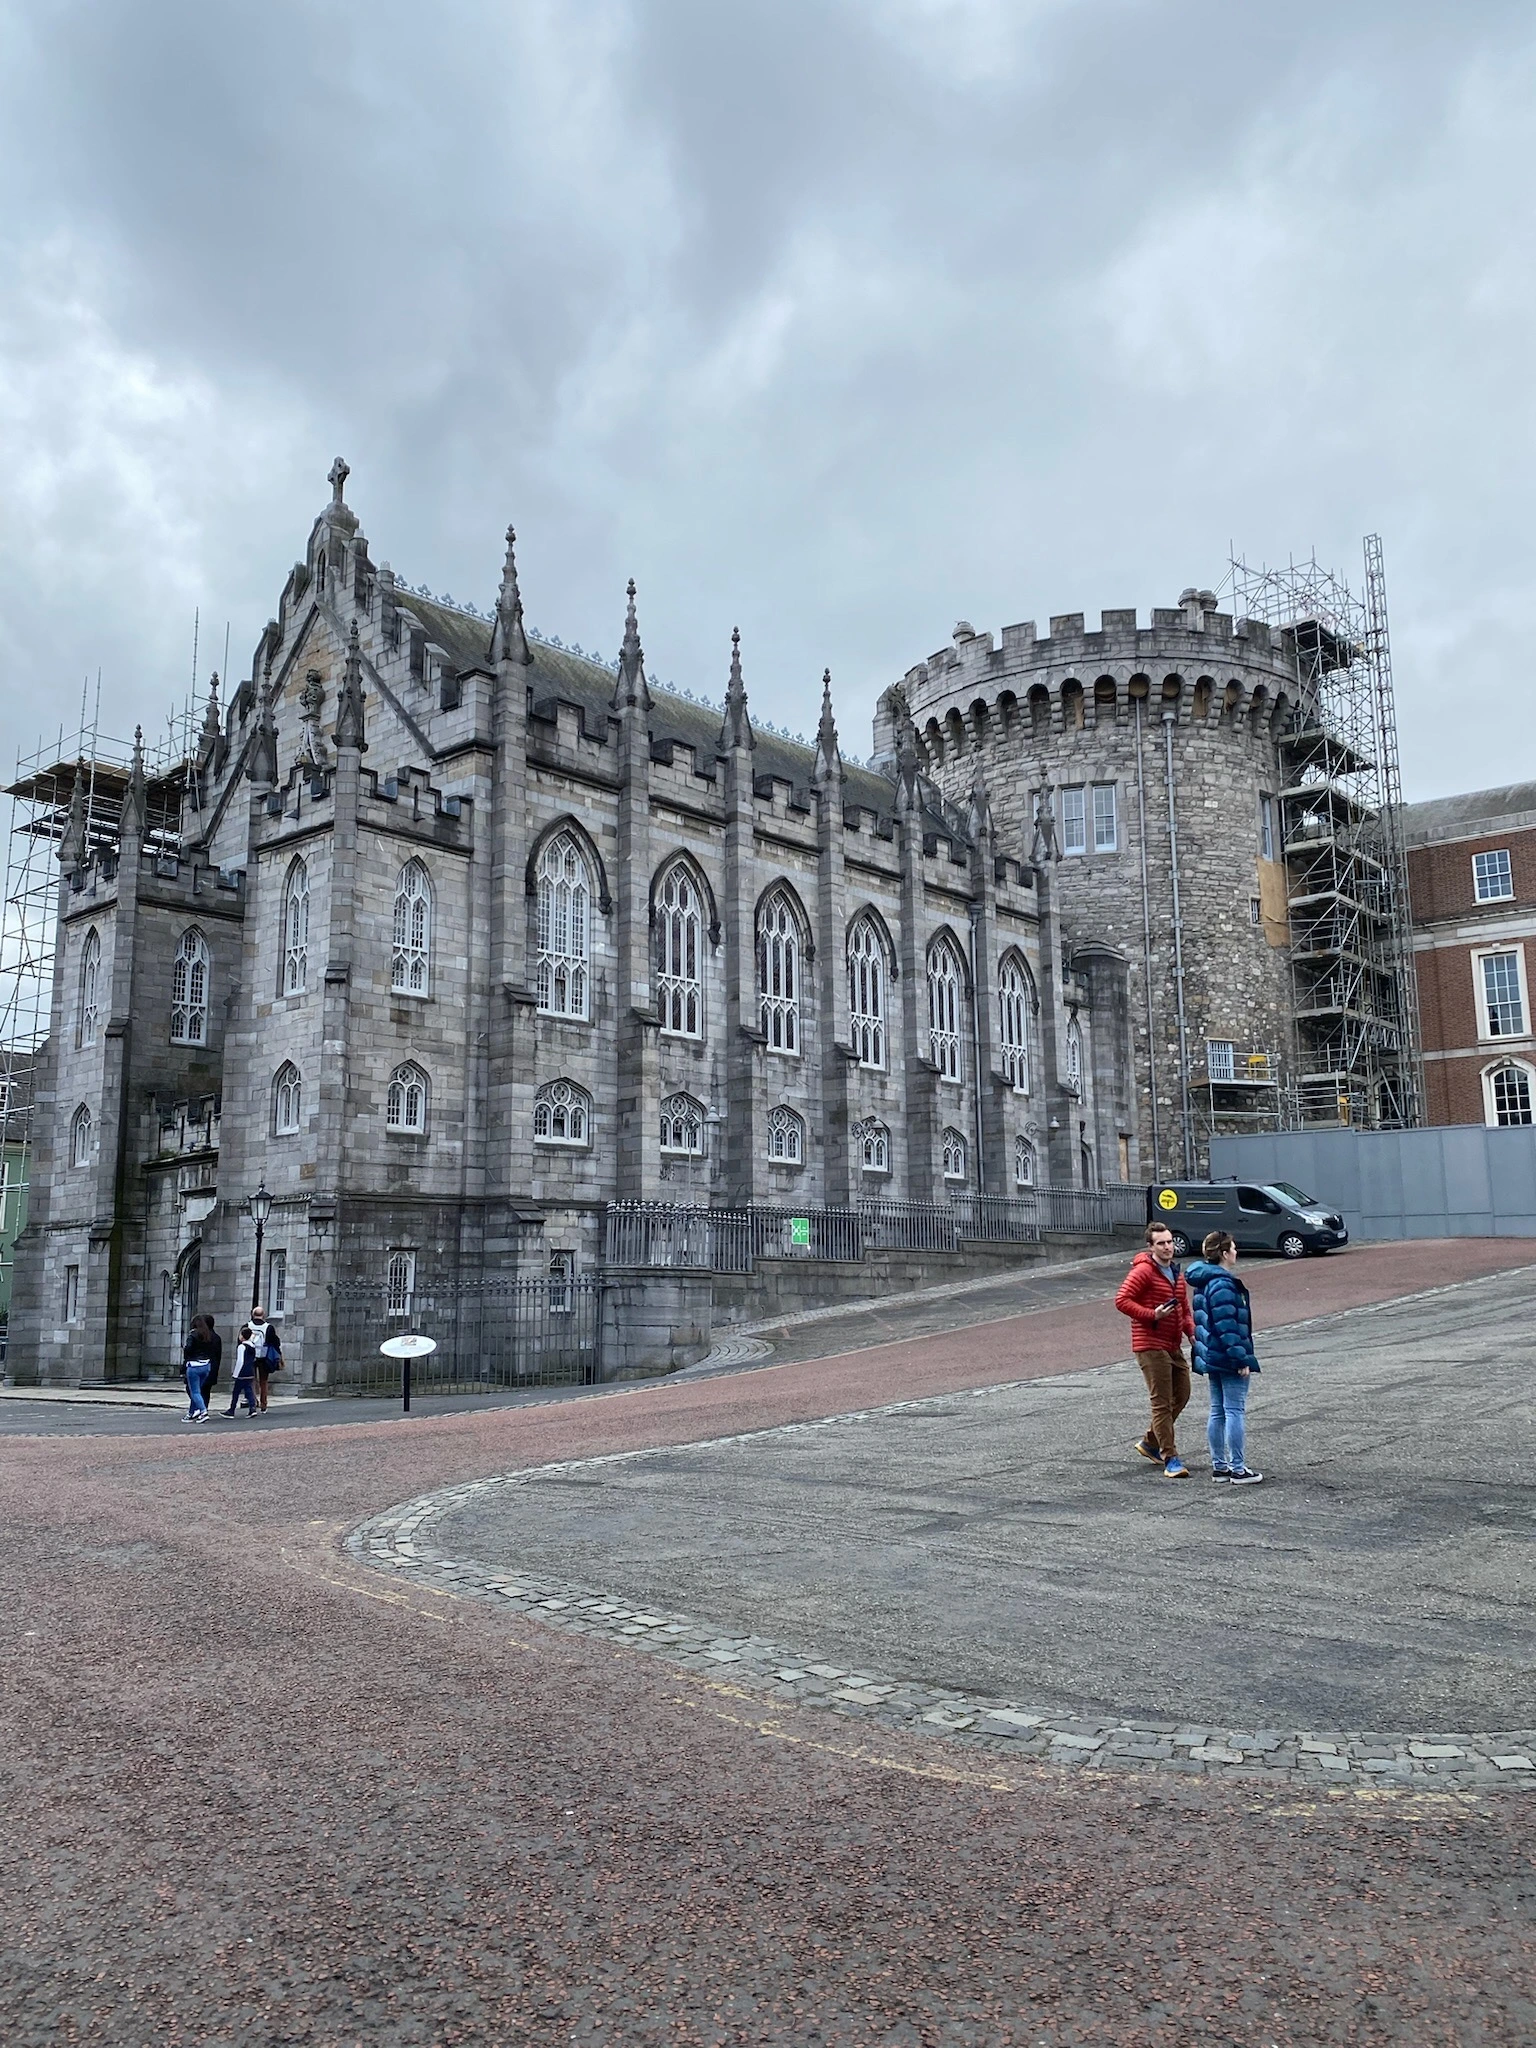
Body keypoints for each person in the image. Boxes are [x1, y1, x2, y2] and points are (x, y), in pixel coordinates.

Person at [1114, 1219, 1196, 1478]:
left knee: (1182, 1394)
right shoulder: (1143, 1271)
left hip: (1173, 1344)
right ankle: (1170, 1458)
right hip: (1150, 1344)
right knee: (1161, 1402)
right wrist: (1152, 1315)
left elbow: (1184, 1308)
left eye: (1169, 1242)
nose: (1167, 1247)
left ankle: (1151, 1442)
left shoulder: (1176, 1273)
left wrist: (1192, 1333)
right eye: (1161, 1244)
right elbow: (1122, 1300)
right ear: (1151, 1247)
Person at [1187, 1230, 1263, 1485]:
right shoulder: (1223, 1284)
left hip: (1211, 1355)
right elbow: (1228, 1327)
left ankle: (1220, 1466)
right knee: (1234, 1410)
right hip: (1226, 1356)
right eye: (1233, 1248)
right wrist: (1240, 1359)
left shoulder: (1204, 1281)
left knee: (1218, 1410)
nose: (1236, 1252)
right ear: (1224, 1253)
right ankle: (1237, 1468)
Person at [181, 1312, 220, 1423]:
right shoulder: (208, 1335)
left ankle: (203, 1412)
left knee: (195, 1391)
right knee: (197, 1390)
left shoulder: (193, 1335)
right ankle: (191, 1413)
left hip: (194, 1365)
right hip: (206, 1365)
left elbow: (188, 1349)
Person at [250, 1304, 282, 1414]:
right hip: (264, 1356)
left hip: (251, 1355)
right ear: (263, 1315)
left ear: (253, 1314)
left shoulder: (248, 1326)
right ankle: (263, 1404)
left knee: (252, 1380)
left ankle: (253, 1401)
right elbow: (275, 1342)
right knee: (263, 1381)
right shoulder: (268, 1327)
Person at [225, 1324, 259, 1417]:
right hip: (250, 1371)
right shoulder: (252, 1346)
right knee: (248, 1390)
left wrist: (235, 1374)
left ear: (242, 1336)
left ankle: (232, 1409)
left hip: (242, 1372)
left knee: (236, 1392)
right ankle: (252, 1408)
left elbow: (240, 1361)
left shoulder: (241, 1347)